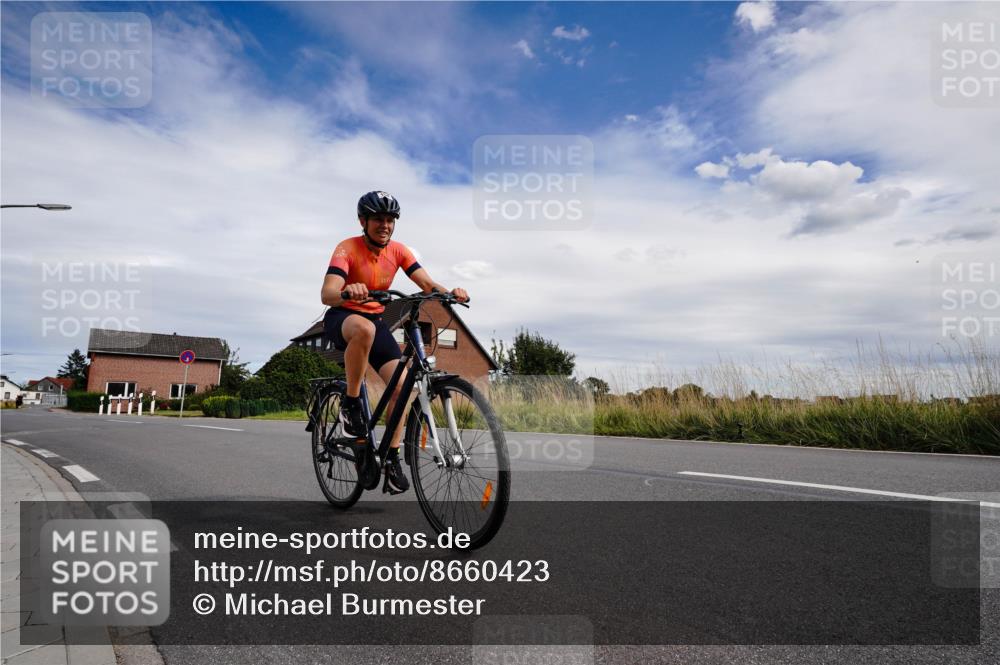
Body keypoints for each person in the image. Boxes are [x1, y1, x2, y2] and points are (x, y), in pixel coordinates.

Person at [320, 191, 469, 495]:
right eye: (378, 219)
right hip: (343, 317)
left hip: (376, 324)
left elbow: (426, 284)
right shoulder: (347, 248)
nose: (385, 225)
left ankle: (391, 458)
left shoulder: (399, 251)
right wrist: (349, 292)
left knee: (402, 386)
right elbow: (327, 292)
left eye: (390, 220)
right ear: (364, 221)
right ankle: (350, 406)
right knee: (363, 328)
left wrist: (449, 293)